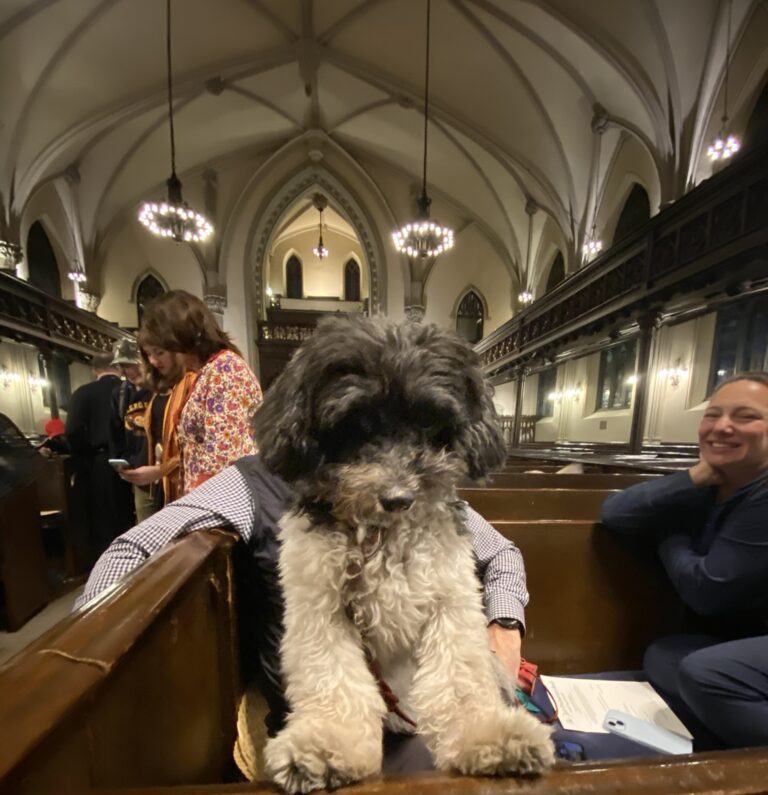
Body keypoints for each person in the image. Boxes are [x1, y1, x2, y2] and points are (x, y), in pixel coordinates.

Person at [76, 455, 530, 736]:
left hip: (430, 715)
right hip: (323, 722)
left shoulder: (415, 478)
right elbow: (133, 551)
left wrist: (505, 625)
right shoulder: (257, 482)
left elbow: (500, 554)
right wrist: (84, 674)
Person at [601, 372, 768, 749]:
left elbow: (707, 589)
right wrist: (693, 476)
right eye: (713, 415)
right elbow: (614, 512)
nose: (722, 427)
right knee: (664, 655)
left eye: (745, 416)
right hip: (745, 642)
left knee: (704, 672)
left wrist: (669, 533)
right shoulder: (712, 488)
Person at [136, 290, 262, 494]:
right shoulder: (208, 372)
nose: (152, 360)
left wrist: (193, 513)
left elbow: (222, 462)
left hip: (220, 507)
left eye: (161, 350)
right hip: (206, 503)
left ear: (182, 337)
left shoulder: (225, 370)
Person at [66, 351, 135, 568]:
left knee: (104, 517)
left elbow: (73, 432)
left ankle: (110, 567)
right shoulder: (129, 390)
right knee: (129, 512)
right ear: (117, 367)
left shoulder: (82, 394)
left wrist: (82, 454)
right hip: (131, 458)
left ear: (94, 370)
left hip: (98, 462)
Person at [117, 343, 196, 510]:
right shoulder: (153, 391)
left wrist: (161, 470)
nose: (153, 360)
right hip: (153, 476)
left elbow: (197, 444)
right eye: (149, 355)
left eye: (159, 352)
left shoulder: (191, 382)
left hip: (180, 479)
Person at [108, 338, 153, 522]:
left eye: (131, 364)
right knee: (147, 528)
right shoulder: (120, 394)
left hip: (164, 471)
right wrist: (124, 460)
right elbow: (115, 432)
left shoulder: (162, 390)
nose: (128, 372)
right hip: (138, 473)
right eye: (122, 366)